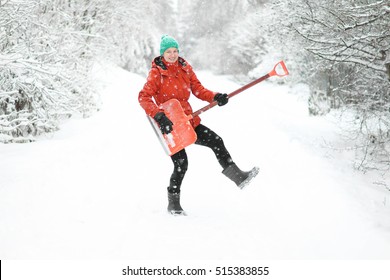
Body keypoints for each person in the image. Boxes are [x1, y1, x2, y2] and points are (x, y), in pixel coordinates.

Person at [138, 35, 258, 215]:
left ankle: (239, 177)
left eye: (175, 51)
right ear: (162, 54)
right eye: (168, 52)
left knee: (216, 141)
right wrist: (159, 116)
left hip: (188, 121)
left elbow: (198, 89)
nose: (172, 55)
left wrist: (215, 96)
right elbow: (144, 97)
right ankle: (173, 204)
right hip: (170, 126)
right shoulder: (157, 73)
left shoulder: (185, 68)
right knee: (181, 163)